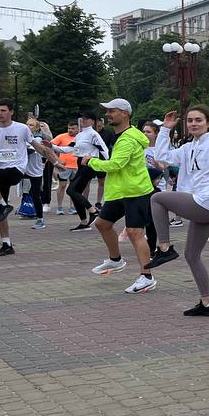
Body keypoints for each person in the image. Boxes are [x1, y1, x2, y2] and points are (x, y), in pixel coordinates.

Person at [147, 107, 209, 316]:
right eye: (190, 120)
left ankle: (165, 247)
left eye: (198, 120)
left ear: (208, 123)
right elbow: (162, 158)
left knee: (157, 198)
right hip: (202, 204)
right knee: (192, 255)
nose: (194, 124)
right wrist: (166, 130)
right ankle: (208, 303)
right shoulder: (189, 147)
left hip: (207, 202)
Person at [79, 99, 157, 293]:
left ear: (125, 114)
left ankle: (146, 276)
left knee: (134, 232)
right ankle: (115, 260)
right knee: (102, 224)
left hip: (136, 191)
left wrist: (91, 162)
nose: (108, 114)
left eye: (112, 111)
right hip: (120, 191)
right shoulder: (118, 135)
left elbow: (115, 165)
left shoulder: (128, 138)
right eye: (107, 111)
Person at [0, 100, 54, 256]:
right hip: (1, 170)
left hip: (16, 169)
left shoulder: (21, 128)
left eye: (3, 110)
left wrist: (56, 162)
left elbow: (38, 146)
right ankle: (7, 244)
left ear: (11, 112)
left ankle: (2, 205)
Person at [61, 113, 109, 231]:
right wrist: (51, 147)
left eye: (86, 118)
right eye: (82, 118)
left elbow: (104, 150)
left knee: (71, 190)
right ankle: (83, 222)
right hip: (80, 163)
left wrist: (107, 164)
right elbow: (69, 148)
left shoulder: (93, 134)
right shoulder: (80, 135)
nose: (83, 120)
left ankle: (93, 211)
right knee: (75, 192)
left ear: (93, 121)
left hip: (89, 164)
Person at [51, 121, 78, 214]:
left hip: (77, 166)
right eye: (69, 128)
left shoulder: (81, 138)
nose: (70, 130)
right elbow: (50, 146)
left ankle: (73, 207)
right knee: (62, 186)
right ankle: (59, 207)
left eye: (73, 128)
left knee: (74, 187)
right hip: (64, 166)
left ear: (78, 129)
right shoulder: (62, 136)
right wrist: (57, 160)